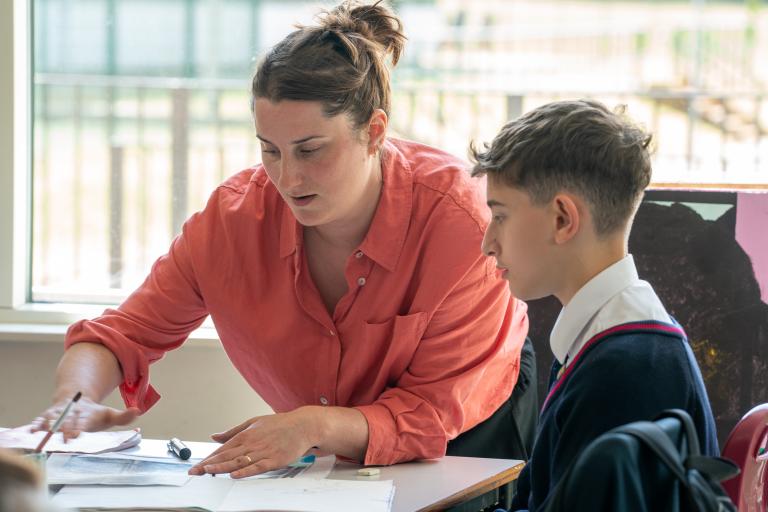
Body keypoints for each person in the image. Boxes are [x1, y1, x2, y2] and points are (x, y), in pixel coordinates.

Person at [32, 0, 529, 477]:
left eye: (310, 150)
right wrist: (71, 402)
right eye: (270, 150)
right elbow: (122, 335)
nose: (288, 179)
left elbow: (431, 413)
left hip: (469, 444)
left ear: (375, 131)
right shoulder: (231, 221)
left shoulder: (462, 225)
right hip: (325, 452)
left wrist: (311, 424)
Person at [471, 99, 718, 511]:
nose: (488, 243)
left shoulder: (627, 371)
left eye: (500, 216)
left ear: (563, 219)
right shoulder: (612, 336)